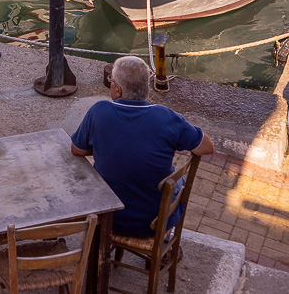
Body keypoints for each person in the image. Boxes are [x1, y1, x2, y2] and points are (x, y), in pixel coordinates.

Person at [71, 56, 214, 238]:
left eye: (111, 82)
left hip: (108, 218)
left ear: (118, 90)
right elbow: (207, 147)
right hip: (155, 222)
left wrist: (104, 147)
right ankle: (162, 244)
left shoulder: (99, 112)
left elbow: (77, 149)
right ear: (145, 87)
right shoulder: (166, 117)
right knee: (177, 179)